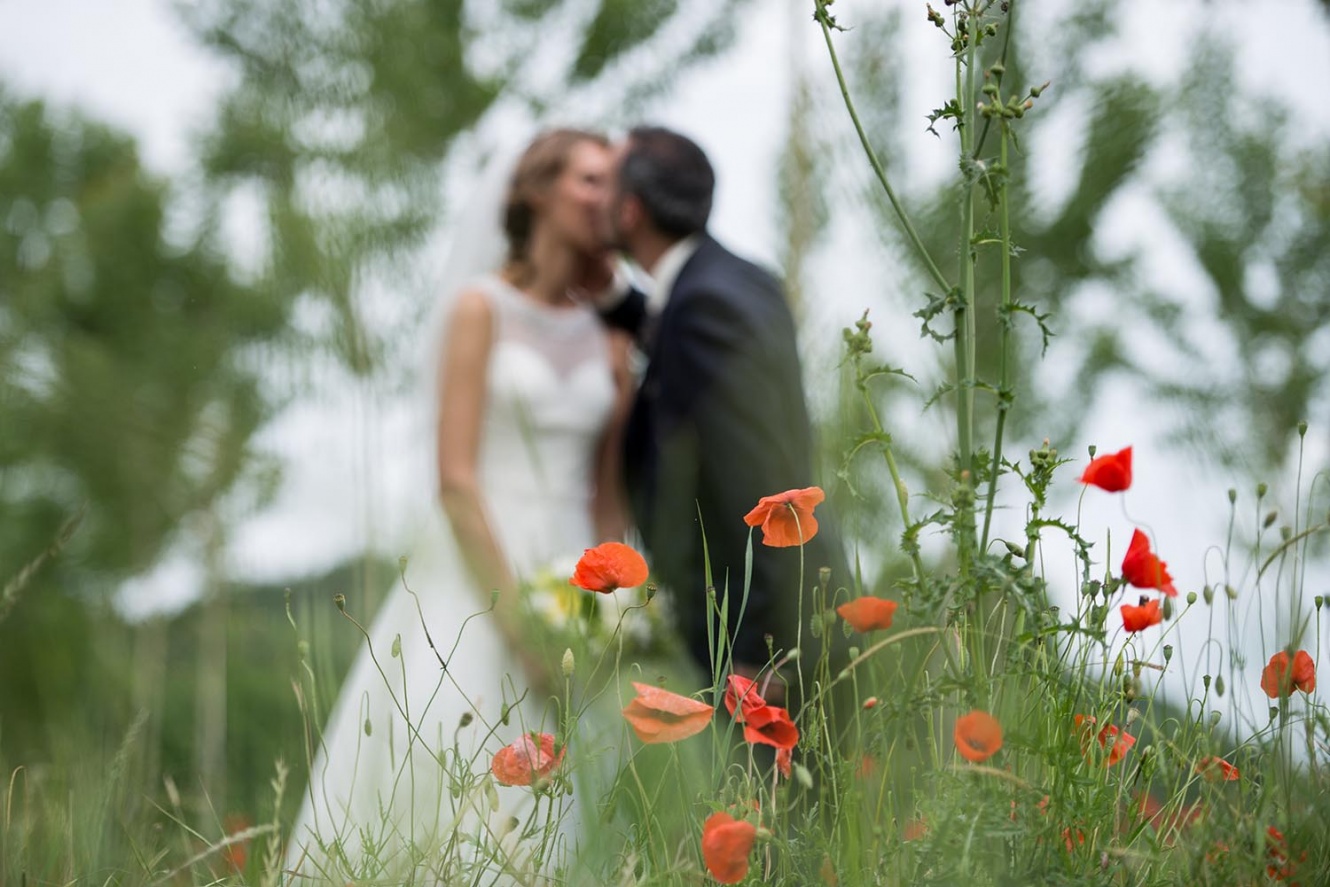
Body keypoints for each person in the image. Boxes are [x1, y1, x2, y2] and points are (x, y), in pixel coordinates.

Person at [286, 128, 635, 883]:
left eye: (616, 181)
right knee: (454, 788)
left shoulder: (612, 339)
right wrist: (521, 628)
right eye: (588, 179)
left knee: (561, 810)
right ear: (536, 191)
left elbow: (610, 500)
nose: (606, 196)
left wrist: (615, 614)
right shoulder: (480, 310)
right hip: (477, 583)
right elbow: (454, 476)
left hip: (577, 574)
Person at [599, 126, 848, 693]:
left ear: (632, 211)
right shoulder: (725, 283)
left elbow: (758, 473)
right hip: (783, 619)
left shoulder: (705, 305)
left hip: (769, 651)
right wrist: (619, 304)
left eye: (606, 182)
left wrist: (761, 646)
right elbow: (687, 368)